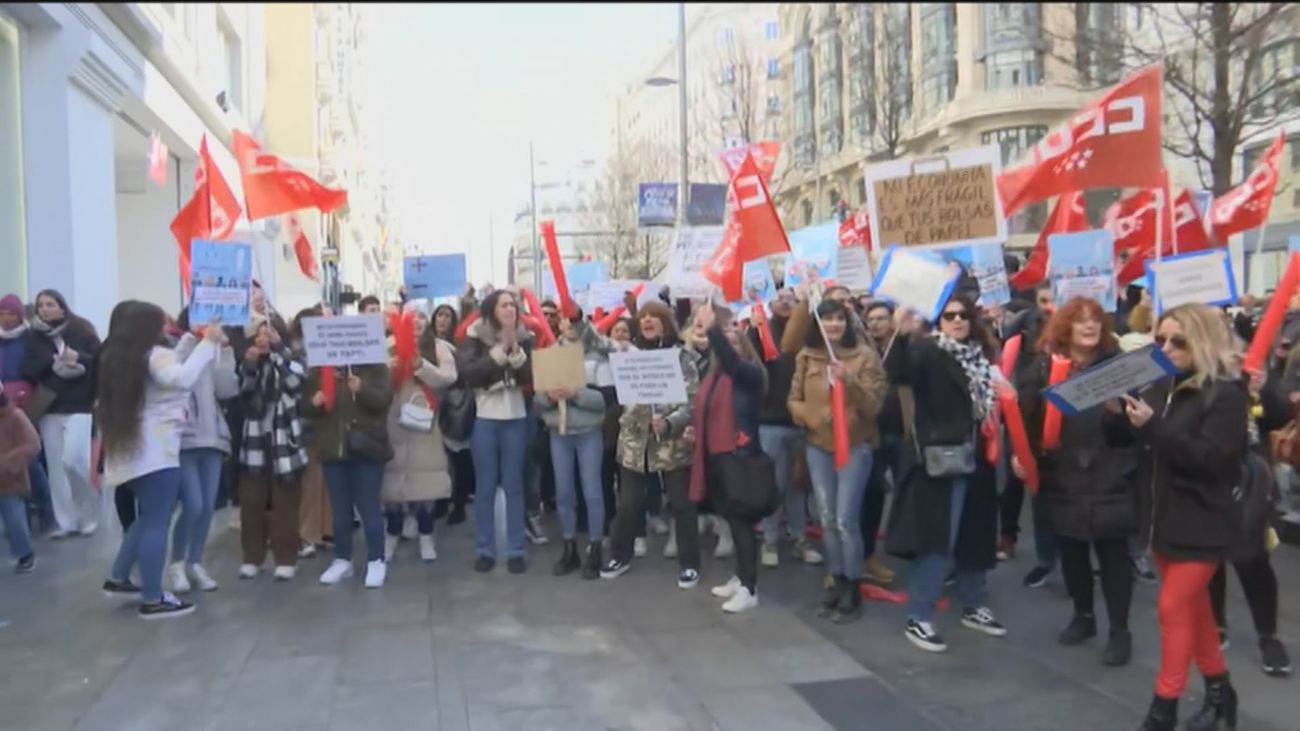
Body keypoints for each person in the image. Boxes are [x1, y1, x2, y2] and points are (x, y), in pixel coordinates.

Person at [1128, 304, 1245, 731]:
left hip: (1204, 521)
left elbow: (1212, 459)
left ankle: (1163, 709)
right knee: (1194, 613)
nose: (1167, 348)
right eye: (1161, 339)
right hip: (1164, 520)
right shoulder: (1163, 384)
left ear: (1202, 341)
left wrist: (1152, 427)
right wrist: (1118, 420)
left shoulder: (1226, 394)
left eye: (1178, 341)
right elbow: (1137, 441)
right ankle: (1220, 693)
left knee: (1172, 607)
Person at [1017, 297, 1137, 667]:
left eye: (1095, 320)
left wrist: (1118, 417)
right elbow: (1027, 416)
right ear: (1065, 327)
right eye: (1081, 320)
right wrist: (1021, 455)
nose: (1089, 326)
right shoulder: (1044, 368)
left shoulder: (1119, 368)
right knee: (1071, 550)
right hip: (1063, 473)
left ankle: (1120, 631)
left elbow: (1133, 431)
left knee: (1114, 554)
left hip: (1110, 473)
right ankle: (1083, 616)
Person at [886, 294, 1007, 653]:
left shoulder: (982, 358)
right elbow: (898, 373)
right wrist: (903, 334)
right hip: (942, 459)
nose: (957, 321)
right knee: (939, 537)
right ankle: (919, 615)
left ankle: (972, 602)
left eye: (963, 315)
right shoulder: (928, 353)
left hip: (980, 455)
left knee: (976, 531)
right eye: (949, 315)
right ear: (938, 321)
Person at [98, 300, 225, 619]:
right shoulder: (153, 356)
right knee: (157, 522)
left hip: (130, 452)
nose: (164, 328)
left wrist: (188, 342)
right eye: (159, 323)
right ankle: (153, 598)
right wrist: (208, 343)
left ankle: (119, 576)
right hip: (157, 452)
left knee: (149, 517)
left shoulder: (118, 358)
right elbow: (180, 378)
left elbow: (166, 372)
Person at [789, 300, 887, 622]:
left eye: (838, 319)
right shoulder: (807, 356)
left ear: (848, 323)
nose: (833, 325)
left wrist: (851, 381)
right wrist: (815, 416)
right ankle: (837, 578)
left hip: (855, 447)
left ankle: (854, 587)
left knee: (846, 520)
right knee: (827, 516)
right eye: (827, 319)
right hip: (818, 445)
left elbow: (873, 406)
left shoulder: (865, 356)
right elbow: (793, 400)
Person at [601, 301, 702, 588]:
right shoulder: (627, 355)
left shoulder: (681, 357)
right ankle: (620, 555)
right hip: (635, 443)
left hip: (670, 442)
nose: (647, 321)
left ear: (665, 322)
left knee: (681, 504)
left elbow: (690, 400)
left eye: (654, 316)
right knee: (629, 503)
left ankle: (690, 563)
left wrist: (670, 423)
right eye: (643, 316)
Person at [690, 306, 766, 613]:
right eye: (727, 343)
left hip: (740, 457)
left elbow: (732, 361)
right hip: (717, 456)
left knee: (743, 524)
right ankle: (740, 576)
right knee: (732, 522)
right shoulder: (714, 376)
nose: (730, 349)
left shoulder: (748, 374)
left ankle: (750, 587)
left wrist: (713, 331)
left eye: (736, 343)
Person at [304, 345, 394, 588]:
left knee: (369, 506)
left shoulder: (375, 367)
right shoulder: (318, 371)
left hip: (367, 448)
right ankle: (342, 559)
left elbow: (384, 399)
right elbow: (303, 407)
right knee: (340, 509)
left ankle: (376, 559)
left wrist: (361, 388)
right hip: (333, 448)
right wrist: (314, 402)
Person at [459, 289, 534, 574]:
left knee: (514, 485)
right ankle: (484, 549)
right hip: (485, 418)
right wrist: (501, 353)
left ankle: (515, 549)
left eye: (514, 305)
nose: (510, 310)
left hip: (516, 417)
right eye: (504, 305)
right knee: (486, 486)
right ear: (492, 310)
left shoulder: (526, 336)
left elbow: (531, 377)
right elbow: (471, 374)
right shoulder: (475, 335)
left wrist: (516, 352)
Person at [167, 311, 239, 593]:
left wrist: (225, 352)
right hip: (185, 437)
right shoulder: (179, 347)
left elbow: (226, 390)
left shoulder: (215, 349)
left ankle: (195, 562)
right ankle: (176, 563)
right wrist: (195, 339)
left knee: (208, 505)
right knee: (193, 503)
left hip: (213, 436)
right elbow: (176, 373)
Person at [20, 289, 101, 538]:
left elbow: (99, 360)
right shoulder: (33, 337)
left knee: (73, 460)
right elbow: (28, 369)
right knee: (56, 466)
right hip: (51, 405)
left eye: (50, 304)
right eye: (41, 305)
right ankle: (66, 521)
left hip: (79, 404)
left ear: (62, 307)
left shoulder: (82, 330)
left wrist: (79, 358)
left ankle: (88, 513)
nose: (44, 309)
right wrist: (53, 361)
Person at [751, 288, 822, 569]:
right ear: (769, 303)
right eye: (779, 296)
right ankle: (769, 538)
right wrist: (753, 335)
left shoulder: (809, 333)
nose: (784, 300)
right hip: (770, 422)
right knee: (774, 484)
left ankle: (799, 538)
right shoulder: (759, 332)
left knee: (797, 485)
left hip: (801, 421)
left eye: (790, 297)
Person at [235, 316, 309, 581]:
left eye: (269, 333)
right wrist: (252, 365)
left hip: (285, 441)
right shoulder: (248, 361)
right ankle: (252, 557)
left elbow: (296, 384)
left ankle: (286, 557)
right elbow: (244, 395)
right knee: (251, 501)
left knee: (285, 503)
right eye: (259, 334)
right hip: (254, 441)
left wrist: (279, 353)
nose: (263, 338)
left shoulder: (292, 358)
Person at [382, 306, 458, 564]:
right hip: (393, 423)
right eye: (409, 318)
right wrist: (389, 369)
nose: (415, 322)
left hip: (425, 422)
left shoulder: (438, 347)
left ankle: (427, 534)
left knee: (425, 486)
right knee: (392, 486)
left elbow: (449, 377)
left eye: (420, 317)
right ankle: (392, 532)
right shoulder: (388, 345)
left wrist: (421, 366)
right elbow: (373, 380)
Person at [536, 314, 608, 579]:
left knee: (592, 492)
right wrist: (548, 396)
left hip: (588, 430)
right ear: (560, 325)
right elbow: (538, 400)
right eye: (566, 321)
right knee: (564, 493)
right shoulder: (549, 356)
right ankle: (569, 547)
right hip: (560, 432)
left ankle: (596, 546)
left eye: (575, 320)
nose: (570, 325)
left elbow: (606, 399)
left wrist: (577, 393)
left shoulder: (595, 354)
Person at [861, 301, 903, 585]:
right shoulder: (863, 351)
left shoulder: (904, 346)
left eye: (882, 318)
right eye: (871, 319)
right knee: (872, 495)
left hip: (902, 431)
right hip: (873, 434)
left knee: (910, 492)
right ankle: (867, 555)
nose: (876, 323)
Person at [289, 306, 331, 557]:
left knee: (325, 481)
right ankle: (307, 534)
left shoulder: (326, 350)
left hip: (327, 423)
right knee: (310, 483)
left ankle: (325, 530)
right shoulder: (296, 355)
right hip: (304, 424)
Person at [431, 303, 473, 526]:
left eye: (448, 316)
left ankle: (459, 504)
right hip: (433, 405)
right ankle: (440, 501)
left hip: (456, 405)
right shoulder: (427, 344)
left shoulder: (461, 344)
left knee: (459, 457)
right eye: (440, 315)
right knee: (438, 458)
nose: (443, 320)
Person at [0, 383, 38, 573]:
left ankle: (25, 554)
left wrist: (8, 462)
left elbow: (32, 445)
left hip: (10, 480)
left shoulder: (15, 416)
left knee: (14, 519)